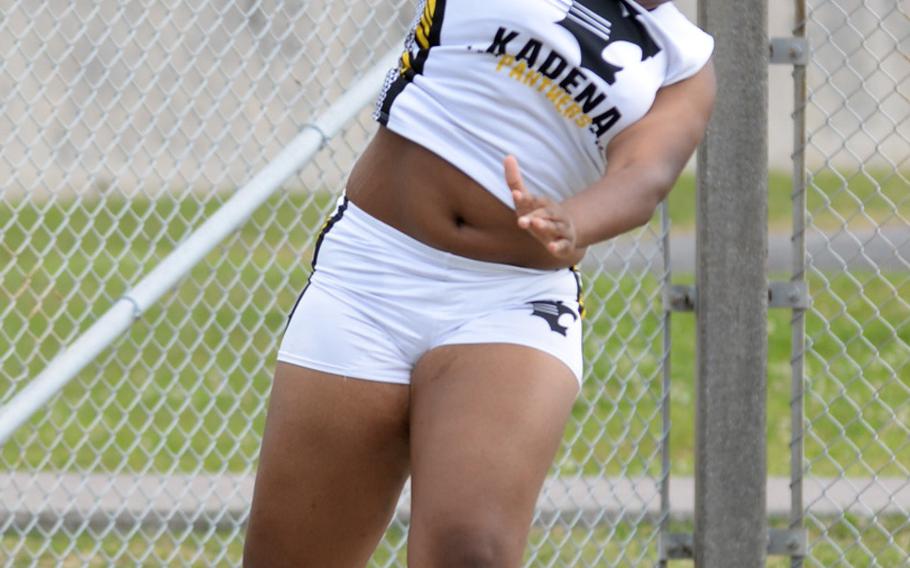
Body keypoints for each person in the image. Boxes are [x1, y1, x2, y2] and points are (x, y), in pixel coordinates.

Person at [243, 0, 715, 565]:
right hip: (372, 272)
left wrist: (574, 221)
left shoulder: (683, 62)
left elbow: (646, 174)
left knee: (473, 549)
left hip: (511, 300)